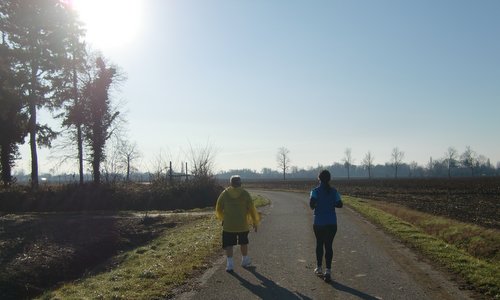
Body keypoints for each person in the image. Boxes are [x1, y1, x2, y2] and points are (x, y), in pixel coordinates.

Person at [215, 175, 260, 272]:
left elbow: (218, 208)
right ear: (240, 183)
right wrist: (255, 222)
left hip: (228, 225)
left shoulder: (224, 194)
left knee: (229, 244)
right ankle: (244, 260)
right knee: (243, 242)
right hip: (242, 225)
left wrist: (223, 217)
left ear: (230, 183)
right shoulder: (245, 193)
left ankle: (230, 264)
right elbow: (252, 209)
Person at [309, 170, 343, 282]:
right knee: (329, 246)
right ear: (329, 179)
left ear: (319, 178)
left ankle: (319, 268)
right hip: (332, 223)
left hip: (319, 223)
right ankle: (328, 271)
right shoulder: (334, 191)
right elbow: (340, 204)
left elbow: (311, 205)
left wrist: (318, 204)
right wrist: (331, 203)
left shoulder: (314, 191)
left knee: (319, 244)